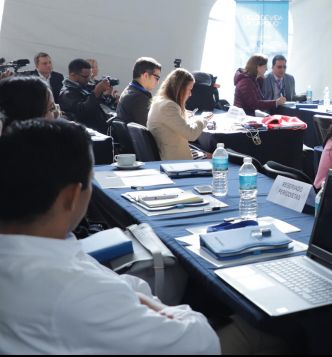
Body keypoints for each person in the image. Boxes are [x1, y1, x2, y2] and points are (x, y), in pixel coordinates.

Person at [0, 119, 220, 354]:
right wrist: (148, 303)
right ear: (72, 196)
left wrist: (130, 297)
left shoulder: (36, 259)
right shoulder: (75, 291)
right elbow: (202, 342)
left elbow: (120, 287)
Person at [147, 68, 210, 160]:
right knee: (217, 157)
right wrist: (203, 119)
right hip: (174, 162)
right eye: (189, 89)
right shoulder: (168, 106)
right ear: (180, 89)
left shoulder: (160, 102)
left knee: (207, 154)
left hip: (170, 154)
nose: (190, 94)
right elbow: (191, 134)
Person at [58, 58, 112, 134]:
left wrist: (106, 94)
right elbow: (83, 111)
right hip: (86, 135)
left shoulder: (85, 86)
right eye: (85, 77)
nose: (88, 79)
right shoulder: (67, 93)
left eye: (90, 76)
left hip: (99, 131)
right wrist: (96, 92)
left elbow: (100, 105)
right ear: (72, 74)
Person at [116, 57, 162, 126]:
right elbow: (154, 128)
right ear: (145, 75)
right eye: (157, 78)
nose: (157, 82)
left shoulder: (129, 90)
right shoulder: (139, 98)